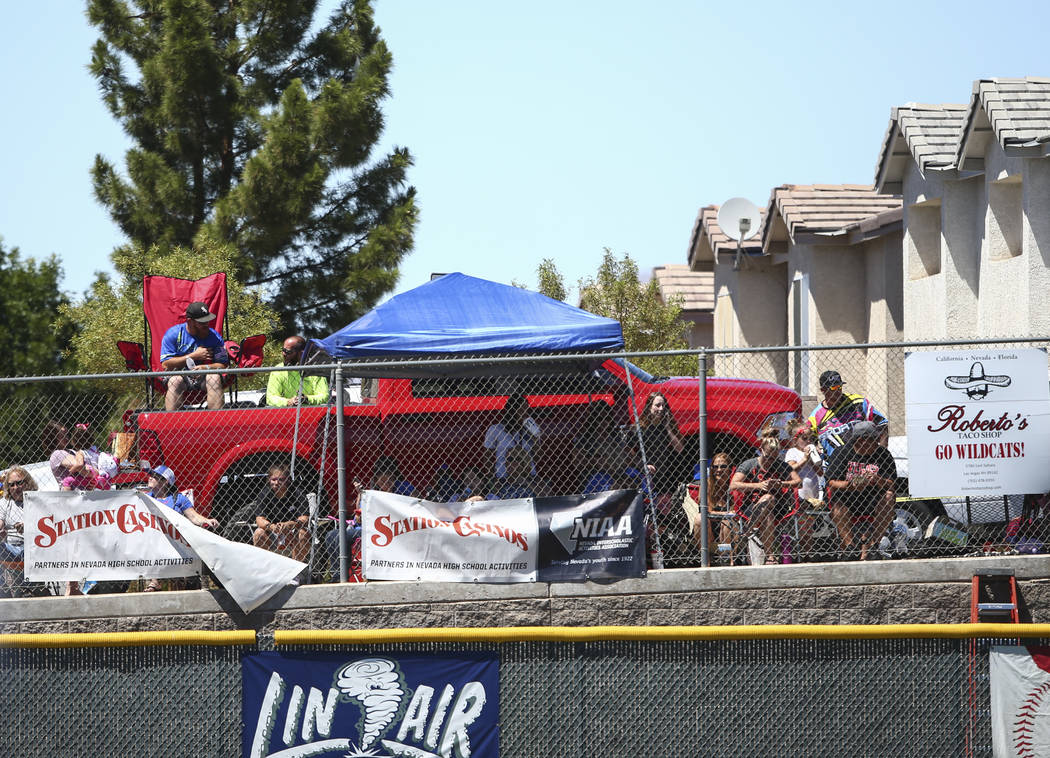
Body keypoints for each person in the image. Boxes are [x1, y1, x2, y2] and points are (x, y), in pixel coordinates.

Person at [824, 420, 897, 561]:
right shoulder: (842, 452)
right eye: (873, 440)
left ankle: (874, 545)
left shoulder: (883, 454)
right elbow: (831, 482)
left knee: (889, 497)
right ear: (861, 440)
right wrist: (850, 485)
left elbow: (892, 483)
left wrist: (878, 480)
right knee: (838, 507)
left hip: (873, 497)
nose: (876, 443)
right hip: (847, 497)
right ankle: (850, 546)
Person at [143, 464, 219, 591]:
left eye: (155, 476)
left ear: (165, 482)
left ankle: (191, 579)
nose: (150, 478)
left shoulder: (178, 498)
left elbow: (194, 517)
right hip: (155, 538)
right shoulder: (145, 497)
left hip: (175, 539)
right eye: (151, 475)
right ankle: (155, 581)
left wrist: (207, 520)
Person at [729, 436, 800, 564]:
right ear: (761, 450)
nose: (770, 461)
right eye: (767, 456)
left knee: (769, 499)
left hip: (779, 506)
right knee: (768, 513)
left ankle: (746, 532)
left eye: (774, 458)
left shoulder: (781, 465)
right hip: (752, 506)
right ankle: (770, 556)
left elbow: (797, 482)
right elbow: (733, 485)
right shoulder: (749, 464)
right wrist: (758, 485)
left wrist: (781, 484)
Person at [160, 301, 230, 410]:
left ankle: (216, 422)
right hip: (180, 374)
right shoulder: (173, 334)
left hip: (204, 375)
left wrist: (205, 368)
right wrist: (193, 356)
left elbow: (223, 365)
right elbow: (165, 364)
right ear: (190, 321)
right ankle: (172, 422)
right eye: (202, 322)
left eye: (208, 320)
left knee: (214, 378)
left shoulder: (214, 336)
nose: (206, 324)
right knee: (175, 381)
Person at [808, 370, 887, 460]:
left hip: (862, 463)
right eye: (833, 388)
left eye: (840, 387)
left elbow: (883, 424)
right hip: (833, 467)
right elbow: (807, 439)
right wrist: (813, 448)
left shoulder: (858, 402)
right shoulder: (815, 416)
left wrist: (882, 454)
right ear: (823, 390)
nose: (838, 391)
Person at [252, 463, 310, 564]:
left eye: (281, 479)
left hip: (293, 531)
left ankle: (294, 571)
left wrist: (291, 524)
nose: (277, 483)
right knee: (259, 533)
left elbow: (305, 518)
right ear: (269, 480)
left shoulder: (297, 493)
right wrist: (272, 527)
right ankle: (266, 568)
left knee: (303, 533)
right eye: (273, 479)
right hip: (272, 532)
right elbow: (259, 519)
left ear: (287, 480)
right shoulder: (265, 494)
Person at [638, 392, 686, 504]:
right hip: (648, 475)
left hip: (666, 475)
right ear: (649, 407)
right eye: (657, 405)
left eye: (663, 406)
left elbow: (679, 448)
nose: (661, 409)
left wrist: (668, 427)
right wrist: (642, 465)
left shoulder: (667, 428)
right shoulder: (641, 428)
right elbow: (630, 450)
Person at [484, 393, 541, 480]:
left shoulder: (530, 427)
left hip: (529, 476)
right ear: (512, 411)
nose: (525, 414)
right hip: (504, 477)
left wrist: (535, 437)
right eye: (521, 410)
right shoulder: (496, 429)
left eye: (527, 410)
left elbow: (537, 456)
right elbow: (487, 455)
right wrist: (492, 477)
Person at [0, 467, 36, 596]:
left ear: (27, 483)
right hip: (11, 549)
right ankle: (2, 591)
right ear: (8, 487)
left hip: (33, 547)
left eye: (19, 483)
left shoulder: (36, 500)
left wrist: (29, 527)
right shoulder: (5, 503)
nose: (16, 487)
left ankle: (27, 590)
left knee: (30, 548)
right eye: (12, 485)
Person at [265, 335, 330, 407]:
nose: (284, 354)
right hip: (286, 413)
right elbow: (270, 398)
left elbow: (325, 396)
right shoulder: (278, 370)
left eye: (288, 352)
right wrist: (288, 402)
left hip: (310, 413)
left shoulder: (314, 369)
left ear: (301, 354)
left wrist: (307, 399)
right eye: (283, 350)